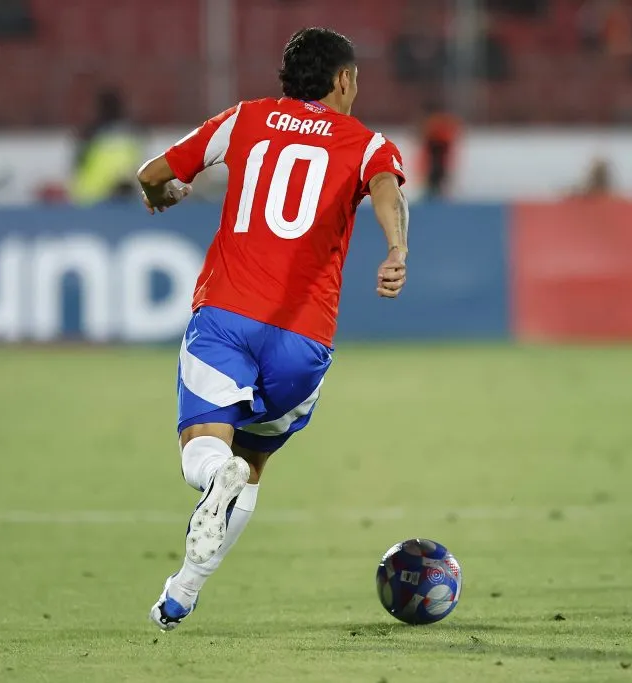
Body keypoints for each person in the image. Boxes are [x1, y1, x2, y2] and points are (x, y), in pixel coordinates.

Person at [136, 27, 408, 631]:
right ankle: (181, 592)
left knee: (205, 450)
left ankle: (213, 476)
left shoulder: (245, 119)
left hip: (227, 316)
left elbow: (153, 171)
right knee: (252, 464)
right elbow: (388, 189)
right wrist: (396, 251)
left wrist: (168, 192)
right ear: (342, 80)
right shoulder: (368, 144)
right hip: (304, 338)